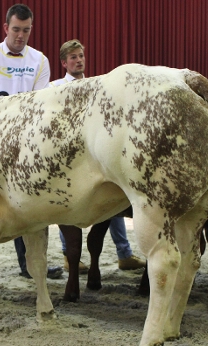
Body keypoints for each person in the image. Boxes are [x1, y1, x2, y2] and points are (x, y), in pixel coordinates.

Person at [0, 3, 62, 282]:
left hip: (26, 146)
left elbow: (40, 106)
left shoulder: (40, 60)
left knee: (29, 206)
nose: (21, 35)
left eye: (26, 30)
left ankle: (30, 265)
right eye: (16, 29)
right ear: (5, 28)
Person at [49, 39, 146, 272]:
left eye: (81, 55)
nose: (79, 60)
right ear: (64, 62)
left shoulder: (98, 85)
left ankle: (124, 254)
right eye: (73, 57)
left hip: (94, 152)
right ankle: (70, 257)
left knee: (113, 200)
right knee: (66, 207)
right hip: (70, 156)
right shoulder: (54, 88)